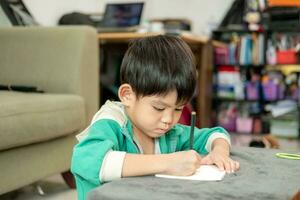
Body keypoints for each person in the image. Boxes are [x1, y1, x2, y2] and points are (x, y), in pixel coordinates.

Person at [71, 35, 240, 200]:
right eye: (159, 108)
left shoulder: (168, 132)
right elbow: (87, 162)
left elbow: (215, 134)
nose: (168, 119)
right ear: (127, 95)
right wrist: (168, 163)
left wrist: (220, 151)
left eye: (178, 108)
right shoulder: (111, 122)